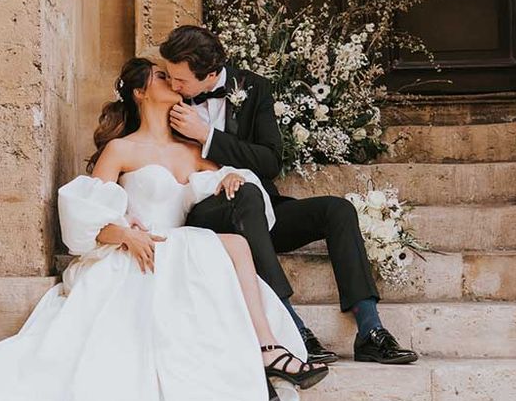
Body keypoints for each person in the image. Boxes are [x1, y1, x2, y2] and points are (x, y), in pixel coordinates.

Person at [0, 57, 328, 401]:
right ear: (140, 91)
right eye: (162, 76)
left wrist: (230, 180)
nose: (173, 81)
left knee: (233, 244)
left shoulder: (193, 150)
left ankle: (266, 348)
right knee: (203, 258)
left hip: (179, 242)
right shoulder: (121, 150)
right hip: (136, 249)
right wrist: (123, 234)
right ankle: (254, 357)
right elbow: (84, 216)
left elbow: (229, 179)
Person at [159, 24, 418, 365]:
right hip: (208, 217)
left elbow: (269, 160)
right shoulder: (166, 97)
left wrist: (207, 135)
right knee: (246, 198)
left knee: (337, 210)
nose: (173, 86)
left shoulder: (254, 88)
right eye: (170, 78)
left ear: (209, 75)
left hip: (261, 210)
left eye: (181, 81)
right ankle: (291, 326)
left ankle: (370, 330)